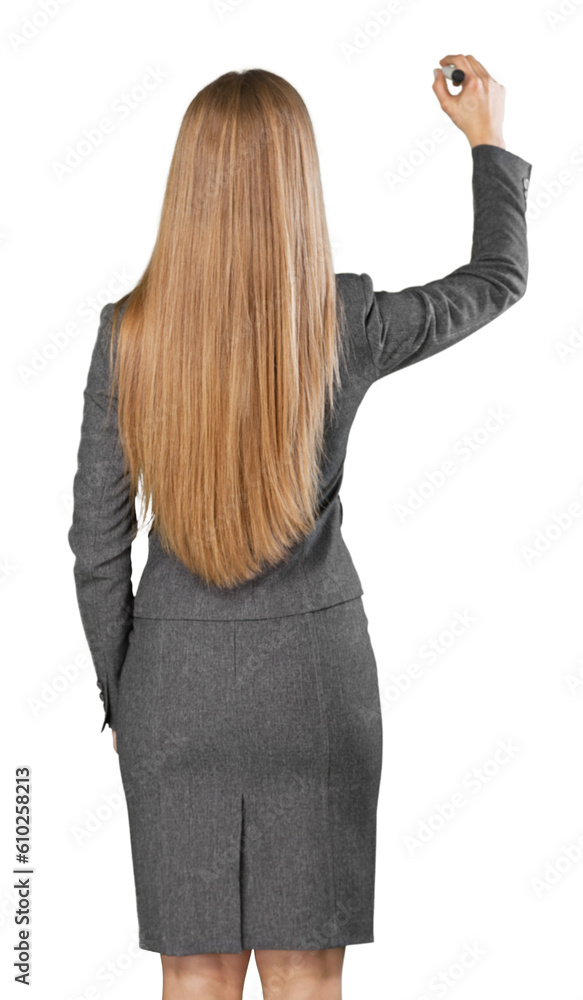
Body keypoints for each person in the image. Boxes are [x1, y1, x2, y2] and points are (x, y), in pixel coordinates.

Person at [68, 54, 531, 1000]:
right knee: (306, 981)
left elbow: (96, 544)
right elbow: (495, 278)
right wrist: (486, 141)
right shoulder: (346, 320)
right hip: (315, 690)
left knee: (194, 978)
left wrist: (126, 697)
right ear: (297, 185)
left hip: (176, 691)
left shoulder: (130, 335)